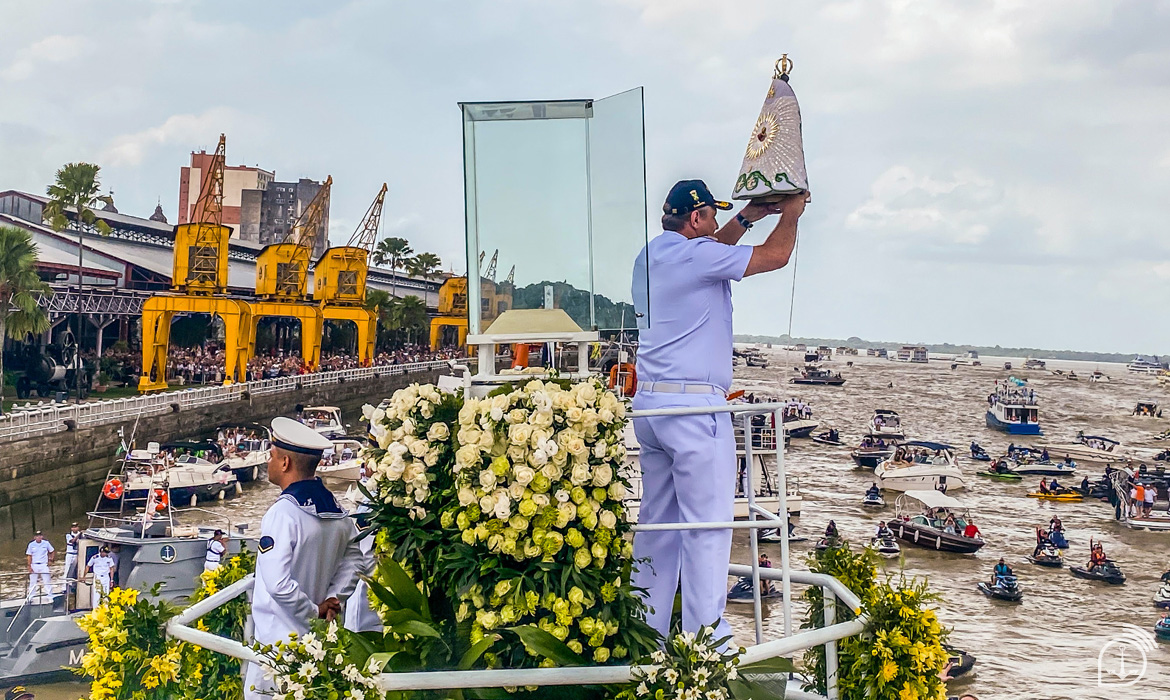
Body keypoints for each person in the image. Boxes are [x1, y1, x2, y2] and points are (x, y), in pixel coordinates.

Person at [629, 179, 804, 644]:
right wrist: (791, 213)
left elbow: (710, 250)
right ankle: (708, 645)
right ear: (695, 218)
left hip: (651, 407)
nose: (715, 225)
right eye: (711, 216)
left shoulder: (651, 255)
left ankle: (645, 635)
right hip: (692, 409)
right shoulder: (699, 256)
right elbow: (776, 256)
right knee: (707, 528)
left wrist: (747, 217)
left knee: (658, 529)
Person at [246, 417, 368, 700]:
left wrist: (314, 611)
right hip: (318, 644)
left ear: (285, 463)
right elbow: (355, 562)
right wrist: (333, 599)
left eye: (272, 456)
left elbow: (277, 584)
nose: (268, 462)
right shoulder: (337, 510)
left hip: (276, 646)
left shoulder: (283, 514)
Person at [25, 531, 54, 603]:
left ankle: (50, 596)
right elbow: (29, 555)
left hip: (43, 564)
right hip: (34, 564)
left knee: (47, 581)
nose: (38, 537)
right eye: (37, 536)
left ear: (42, 536)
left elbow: (52, 551)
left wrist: (51, 560)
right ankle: (30, 597)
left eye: (40, 535)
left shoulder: (46, 543)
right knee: (32, 582)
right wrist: (29, 566)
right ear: (34, 537)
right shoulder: (31, 544)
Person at [63, 523, 80, 590]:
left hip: (77, 554)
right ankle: (64, 587)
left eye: (76, 527)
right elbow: (72, 541)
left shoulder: (82, 535)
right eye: (73, 527)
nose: (74, 528)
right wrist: (79, 535)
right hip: (70, 554)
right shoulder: (68, 535)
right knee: (67, 570)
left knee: (76, 570)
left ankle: (74, 586)